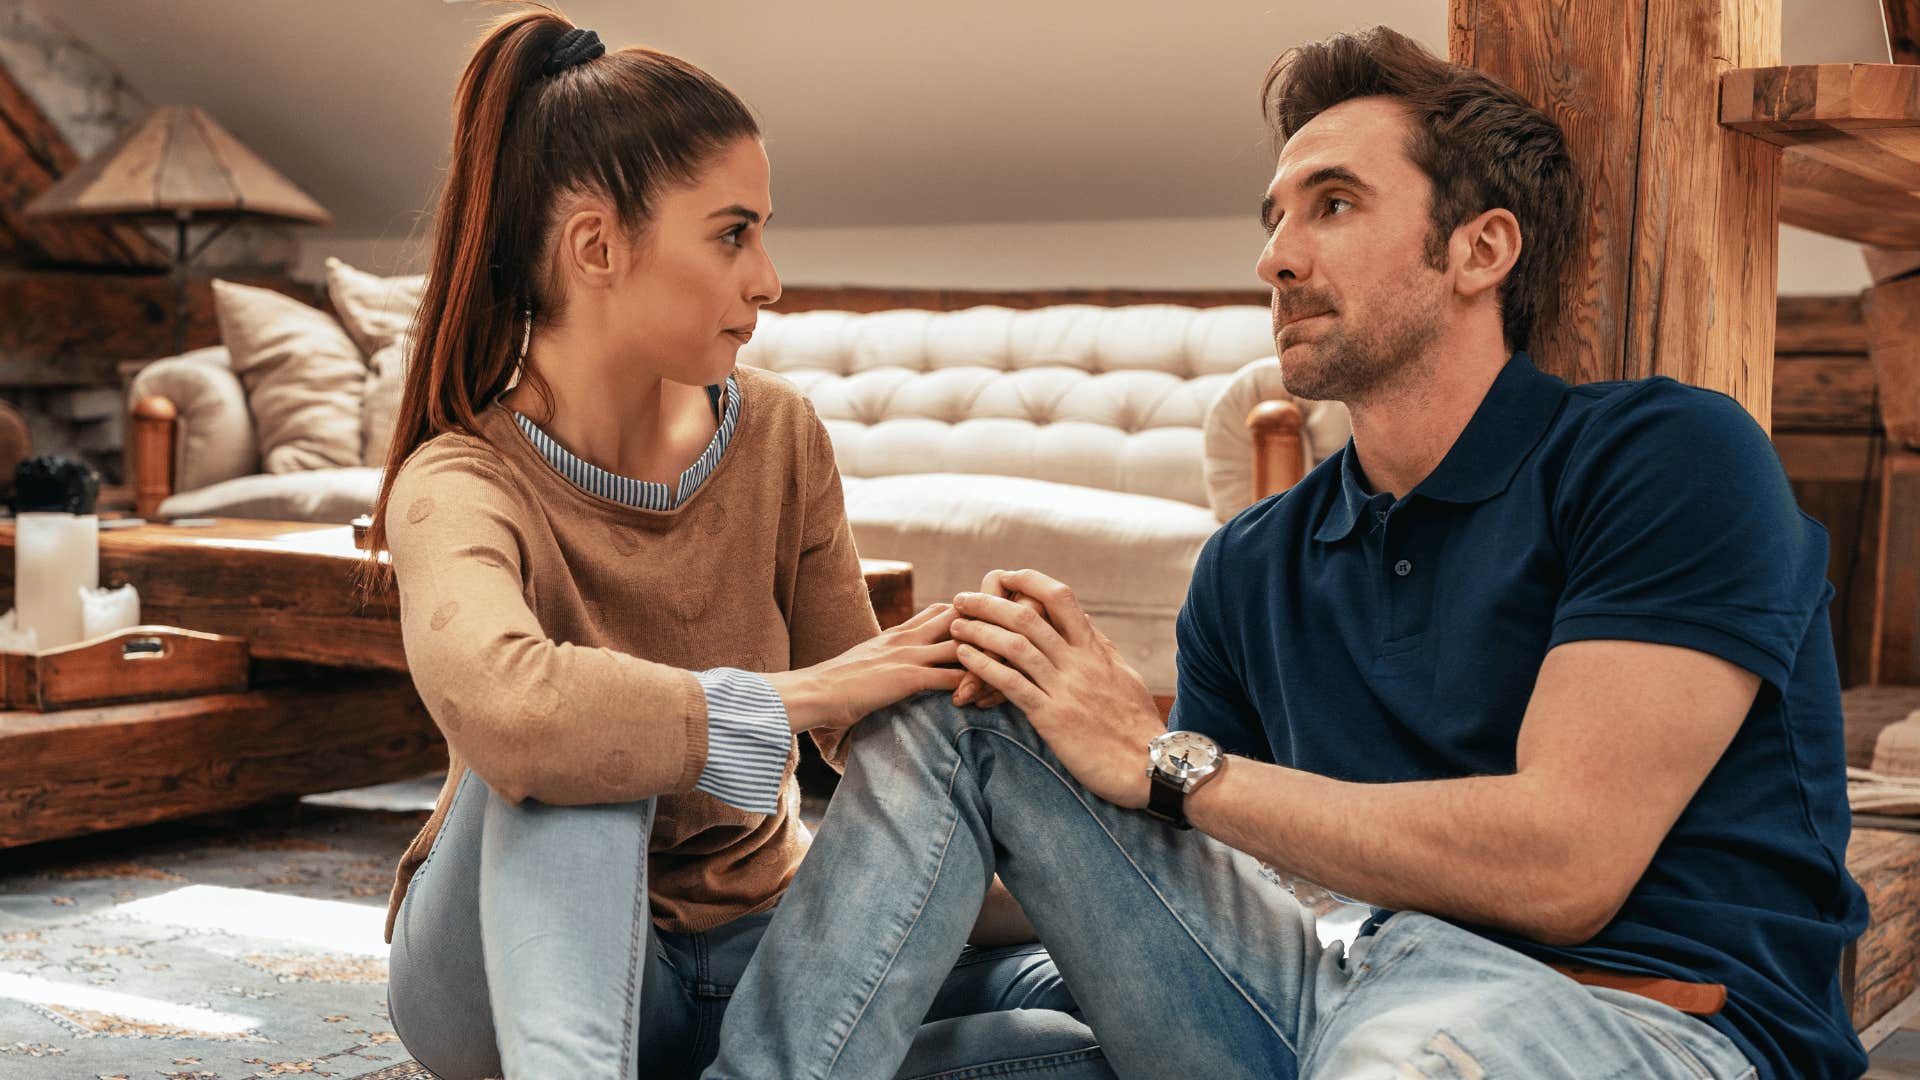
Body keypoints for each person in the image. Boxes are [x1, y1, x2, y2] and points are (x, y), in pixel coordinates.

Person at [705, 25, 1869, 1080]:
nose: (1276, 257)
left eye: (1334, 205)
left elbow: (1565, 868)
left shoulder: (1663, 457)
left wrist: (1164, 760)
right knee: (979, 697)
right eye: (1275, 216)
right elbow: (1212, 864)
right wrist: (902, 865)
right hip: (1327, 983)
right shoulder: (1255, 563)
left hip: (1631, 1014)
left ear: (1480, 250)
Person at [364, 8, 1110, 1078]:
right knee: (588, 744)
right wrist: (804, 696)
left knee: (1080, 1038)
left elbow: (874, 735)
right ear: (595, 247)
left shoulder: (777, 434)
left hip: (765, 952)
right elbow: (515, 716)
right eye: (732, 233)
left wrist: (1042, 781)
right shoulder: (460, 477)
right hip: (499, 973)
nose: (767, 277)